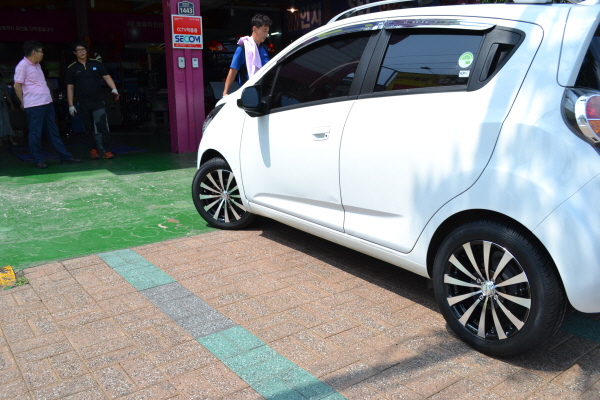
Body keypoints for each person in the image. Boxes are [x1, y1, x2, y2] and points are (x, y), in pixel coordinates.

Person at [13, 41, 81, 169]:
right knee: (35, 133)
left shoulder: (37, 65)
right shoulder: (22, 65)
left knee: (53, 131)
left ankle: (65, 157)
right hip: (34, 104)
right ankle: (38, 160)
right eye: (41, 52)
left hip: (47, 102)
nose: (42, 54)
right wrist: (23, 102)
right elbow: (17, 85)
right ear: (34, 53)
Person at [66, 40, 119, 160]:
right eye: (79, 50)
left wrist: (114, 89)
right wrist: (70, 105)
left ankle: (106, 151)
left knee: (102, 127)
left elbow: (107, 77)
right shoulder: (72, 68)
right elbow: (70, 87)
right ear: (74, 53)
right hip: (83, 103)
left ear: (87, 51)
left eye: (83, 50)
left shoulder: (96, 63)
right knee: (88, 128)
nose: (81, 52)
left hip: (98, 101)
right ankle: (93, 150)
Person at [222, 14, 272, 97]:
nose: (266, 34)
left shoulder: (264, 48)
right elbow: (233, 71)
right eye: (264, 30)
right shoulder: (243, 49)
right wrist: (225, 93)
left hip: (264, 92)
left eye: (267, 31)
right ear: (255, 29)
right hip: (248, 93)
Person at [0, 71, 18, 147]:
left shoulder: (2, 83)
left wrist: (11, 104)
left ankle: (11, 138)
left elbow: (6, 94)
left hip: (2, 104)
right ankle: (0, 140)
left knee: (7, 120)